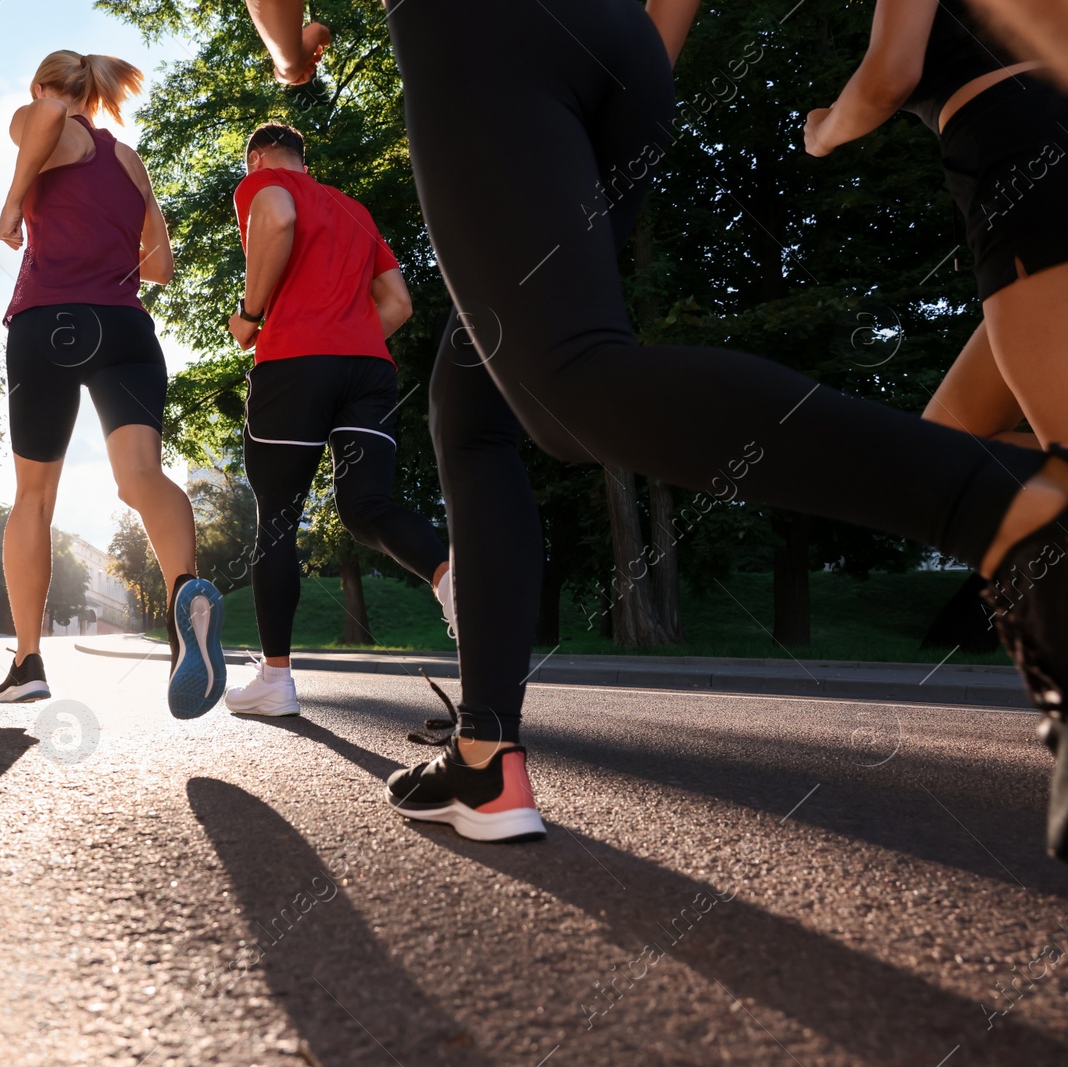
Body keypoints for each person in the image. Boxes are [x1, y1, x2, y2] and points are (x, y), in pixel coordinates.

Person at [242, 0, 1068, 856]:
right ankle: (486, 755)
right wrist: (635, 65)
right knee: (477, 394)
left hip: (484, 32)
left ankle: (1007, 506)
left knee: (569, 380)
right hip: (625, 53)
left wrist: (289, 51)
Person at [0, 49, 227, 719]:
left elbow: (42, 115)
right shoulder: (128, 161)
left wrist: (15, 204)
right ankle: (188, 599)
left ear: (49, 87)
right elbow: (159, 267)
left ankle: (28, 660)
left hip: (50, 322)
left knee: (34, 496)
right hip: (126, 332)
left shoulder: (47, 118)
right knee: (140, 478)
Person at [220, 123, 455, 719]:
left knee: (277, 520)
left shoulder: (264, 183)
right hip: (368, 370)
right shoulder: (355, 209)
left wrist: (250, 314)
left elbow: (275, 219)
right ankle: (450, 578)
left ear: (260, 158)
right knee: (367, 507)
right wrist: (344, 339)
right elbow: (398, 303)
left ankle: (276, 682)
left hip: (294, 365)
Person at [805, 0, 1068, 453]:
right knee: (942, 459)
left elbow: (888, 80)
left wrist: (822, 133)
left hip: (1020, 158)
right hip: (1034, 156)